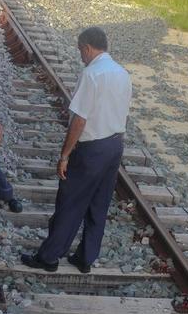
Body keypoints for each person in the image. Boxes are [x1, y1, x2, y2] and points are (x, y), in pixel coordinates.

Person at [21, 26, 132, 273]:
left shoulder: (91, 74)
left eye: (80, 50)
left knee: (70, 201)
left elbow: (79, 120)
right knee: (99, 204)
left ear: (88, 48)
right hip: (115, 145)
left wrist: (64, 155)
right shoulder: (123, 74)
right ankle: (85, 258)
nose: (80, 55)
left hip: (91, 148)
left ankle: (49, 257)